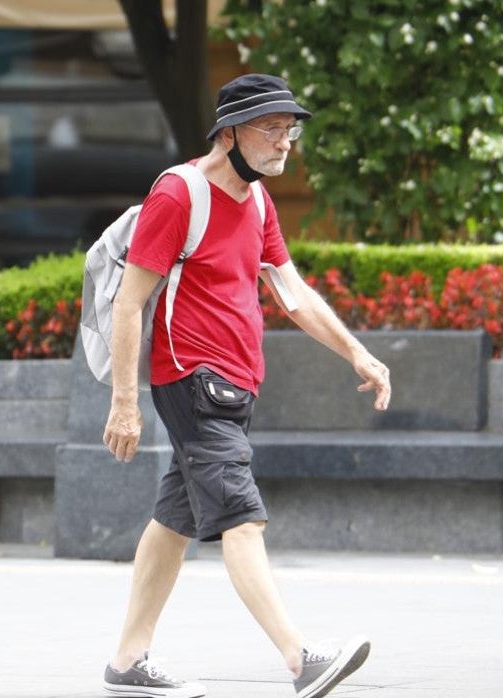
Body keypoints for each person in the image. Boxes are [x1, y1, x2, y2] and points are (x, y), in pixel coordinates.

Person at [100, 74, 393, 698]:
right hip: (193, 382)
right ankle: (301, 659)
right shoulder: (179, 196)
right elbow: (130, 303)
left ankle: (128, 661)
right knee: (242, 518)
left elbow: (292, 293)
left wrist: (357, 352)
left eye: (290, 128)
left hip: (233, 388)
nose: (285, 140)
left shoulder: (258, 203)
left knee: (174, 521)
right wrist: (124, 403)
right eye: (271, 127)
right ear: (228, 133)